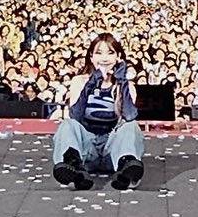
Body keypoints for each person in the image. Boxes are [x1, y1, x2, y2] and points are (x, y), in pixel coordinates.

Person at [52, 32, 146, 190]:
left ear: (118, 57)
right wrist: (91, 84)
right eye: (99, 53)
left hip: (112, 148)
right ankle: (73, 167)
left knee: (132, 126)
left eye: (110, 53)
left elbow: (129, 116)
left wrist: (122, 81)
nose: (104, 58)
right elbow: (75, 116)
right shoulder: (79, 81)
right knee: (67, 125)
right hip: (87, 148)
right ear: (91, 56)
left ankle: (126, 169)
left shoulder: (126, 85)